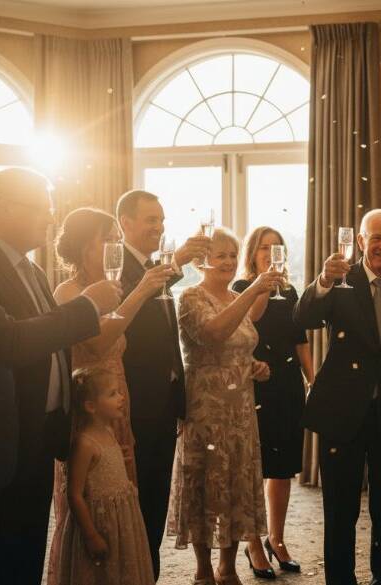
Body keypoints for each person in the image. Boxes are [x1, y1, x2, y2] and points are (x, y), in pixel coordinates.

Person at [0, 139, 120, 585]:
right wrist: (88, 307)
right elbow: (9, 342)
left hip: (37, 435)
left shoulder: (32, 270)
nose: (51, 218)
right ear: (8, 209)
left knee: (24, 549)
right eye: (41, 207)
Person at [294, 208, 381, 585]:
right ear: (360, 242)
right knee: (340, 510)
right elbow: (302, 318)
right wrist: (323, 278)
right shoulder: (339, 283)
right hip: (340, 414)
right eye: (376, 237)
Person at [46, 207, 174, 585]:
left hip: (118, 405)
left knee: (122, 505)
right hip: (88, 415)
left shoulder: (111, 289)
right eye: (109, 239)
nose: (117, 246)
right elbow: (100, 343)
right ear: (87, 246)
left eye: (119, 239)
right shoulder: (69, 292)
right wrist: (142, 290)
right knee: (93, 503)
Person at [168, 227, 282, 585]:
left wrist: (256, 368)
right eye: (221, 256)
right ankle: (203, 568)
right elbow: (214, 334)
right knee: (205, 482)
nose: (230, 262)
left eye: (233, 255)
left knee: (236, 483)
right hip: (206, 408)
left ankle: (228, 566)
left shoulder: (235, 296)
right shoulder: (190, 297)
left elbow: (238, 347)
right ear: (202, 261)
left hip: (240, 409)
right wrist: (251, 292)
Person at [115, 189, 210, 578]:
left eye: (161, 219)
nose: (159, 226)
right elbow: (126, 316)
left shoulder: (154, 268)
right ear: (125, 223)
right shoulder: (116, 268)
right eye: (150, 219)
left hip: (164, 402)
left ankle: (147, 571)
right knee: (136, 499)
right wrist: (178, 260)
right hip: (135, 401)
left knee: (155, 497)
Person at [233, 226, 314, 578]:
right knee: (254, 468)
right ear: (252, 253)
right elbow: (250, 320)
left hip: (287, 387)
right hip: (255, 385)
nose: (270, 253)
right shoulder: (240, 289)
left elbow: (300, 340)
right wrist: (263, 285)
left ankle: (276, 539)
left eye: (276, 248)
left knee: (281, 469)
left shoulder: (291, 290)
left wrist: (313, 379)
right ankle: (253, 543)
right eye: (264, 248)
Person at [56, 366, 155, 585]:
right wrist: (91, 536)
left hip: (121, 521)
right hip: (99, 522)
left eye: (119, 392)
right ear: (90, 406)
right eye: (112, 394)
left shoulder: (108, 432)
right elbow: (74, 495)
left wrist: (118, 458)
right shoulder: (84, 443)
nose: (121, 397)